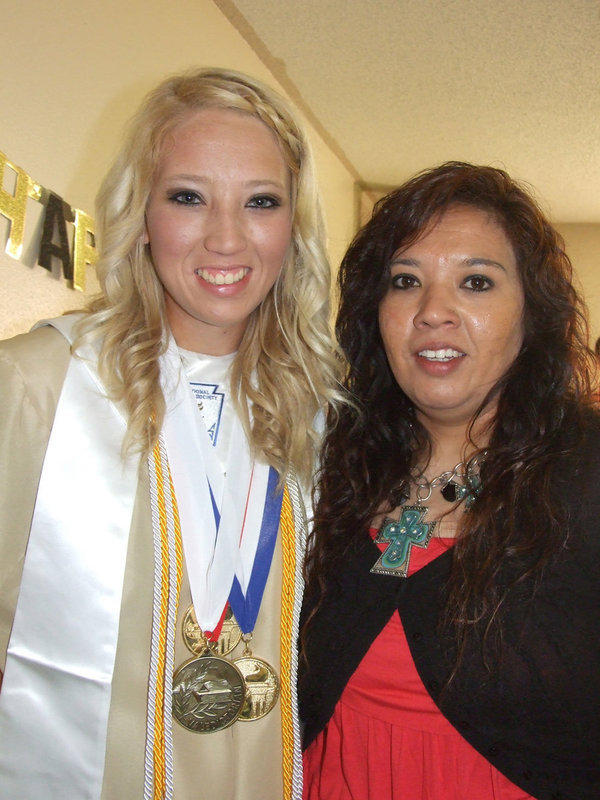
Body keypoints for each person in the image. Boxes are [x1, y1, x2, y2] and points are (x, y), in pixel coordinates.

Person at [0, 67, 341, 800]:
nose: (226, 237)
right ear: (141, 213)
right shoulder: (37, 386)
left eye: (261, 202)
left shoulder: (317, 415)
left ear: (293, 227)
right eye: (188, 197)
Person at [299, 162, 600, 800]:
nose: (435, 311)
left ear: (531, 314)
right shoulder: (320, 466)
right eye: (405, 281)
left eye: (476, 282)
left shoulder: (588, 474)